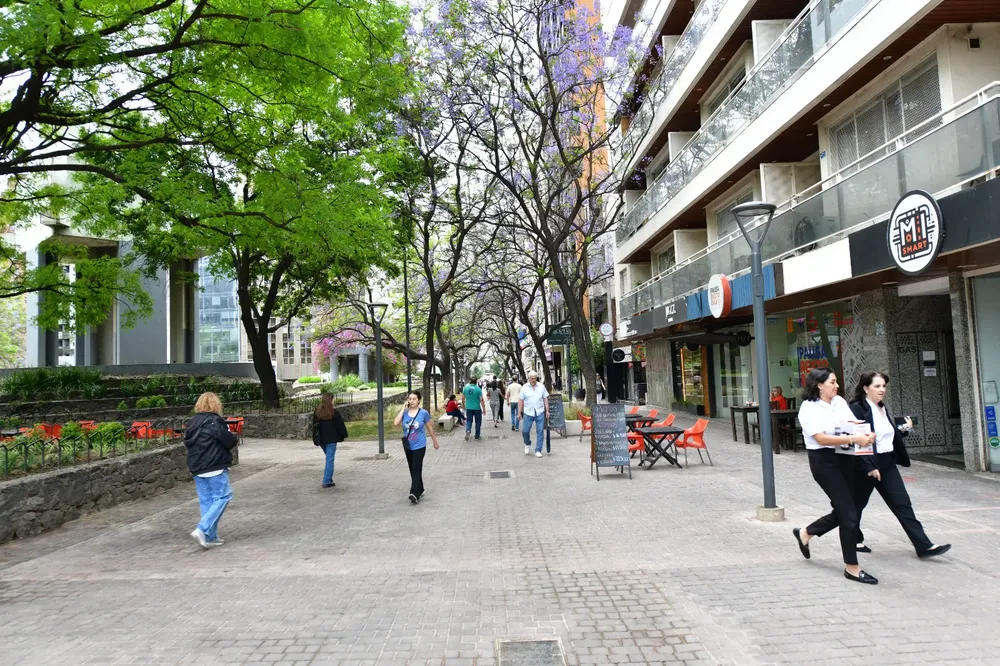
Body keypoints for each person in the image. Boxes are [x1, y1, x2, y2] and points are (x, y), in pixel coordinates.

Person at [848, 372, 951, 559]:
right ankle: (850, 538)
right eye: (877, 386)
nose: (882, 390)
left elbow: (888, 435)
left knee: (902, 504)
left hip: (887, 463)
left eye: (884, 386)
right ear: (865, 388)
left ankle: (924, 546)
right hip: (867, 464)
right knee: (856, 504)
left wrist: (904, 430)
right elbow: (857, 442)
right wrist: (868, 466)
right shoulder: (856, 409)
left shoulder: (882, 408)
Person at [791, 368, 879, 585]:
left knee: (845, 509)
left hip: (846, 459)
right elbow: (821, 439)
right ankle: (852, 567)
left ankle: (806, 532)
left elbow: (853, 426)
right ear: (819, 385)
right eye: (832, 382)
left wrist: (865, 434)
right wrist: (855, 439)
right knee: (849, 512)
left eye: (836, 381)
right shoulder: (808, 408)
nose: (837, 385)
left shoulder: (839, 401)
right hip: (824, 463)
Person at [184, 392, 239, 549]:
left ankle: (210, 536)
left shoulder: (192, 423)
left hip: (197, 466)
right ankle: (202, 529)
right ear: (216, 405)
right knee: (223, 496)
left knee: (207, 501)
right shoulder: (216, 421)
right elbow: (228, 441)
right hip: (214, 465)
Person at [393, 390, 440, 504]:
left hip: (420, 445)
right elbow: (395, 423)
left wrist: (435, 441)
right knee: (412, 468)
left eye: (414, 399)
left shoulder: (423, 413)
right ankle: (421, 488)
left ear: (419, 400)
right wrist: (402, 409)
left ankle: (414, 493)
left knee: (416, 468)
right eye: (410, 399)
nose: (412, 401)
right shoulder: (405, 413)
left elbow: (430, 428)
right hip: (408, 445)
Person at [312, 392, 348, 488]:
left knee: (328, 459)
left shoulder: (317, 412)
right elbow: (340, 425)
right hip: (331, 440)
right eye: (333, 399)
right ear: (330, 400)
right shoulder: (334, 412)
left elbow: (314, 426)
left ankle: (328, 477)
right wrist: (344, 435)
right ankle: (326, 481)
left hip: (322, 440)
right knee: (329, 460)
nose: (334, 401)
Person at [519, 370, 550, 457]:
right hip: (528, 412)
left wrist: (547, 410)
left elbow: (545, 398)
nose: (533, 380)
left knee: (540, 431)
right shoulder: (524, 387)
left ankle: (538, 450)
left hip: (539, 411)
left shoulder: (541, 386)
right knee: (525, 431)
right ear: (528, 378)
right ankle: (527, 443)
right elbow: (520, 400)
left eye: (535, 378)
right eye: (532, 378)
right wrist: (519, 412)